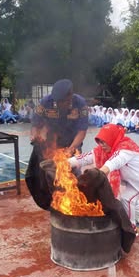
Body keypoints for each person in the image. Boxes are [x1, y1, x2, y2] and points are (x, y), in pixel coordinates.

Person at [69, 124, 139, 231]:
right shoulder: (102, 150)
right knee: (130, 198)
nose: (101, 144)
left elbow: (113, 162)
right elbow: (84, 158)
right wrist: (62, 163)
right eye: (99, 141)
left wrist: (97, 175)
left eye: (104, 141)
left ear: (112, 138)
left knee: (127, 199)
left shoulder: (125, 148)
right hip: (133, 177)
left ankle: (130, 228)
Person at [25, 78, 89, 209]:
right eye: (57, 101)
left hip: (72, 143)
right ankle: (55, 202)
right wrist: (35, 135)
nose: (59, 104)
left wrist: (71, 149)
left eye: (62, 101)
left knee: (73, 172)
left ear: (70, 96)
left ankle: (76, 201)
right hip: (52, 143)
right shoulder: (45, 102)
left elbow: (82, 131)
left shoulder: (80, 103)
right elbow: (36, 124)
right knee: (49, 174)